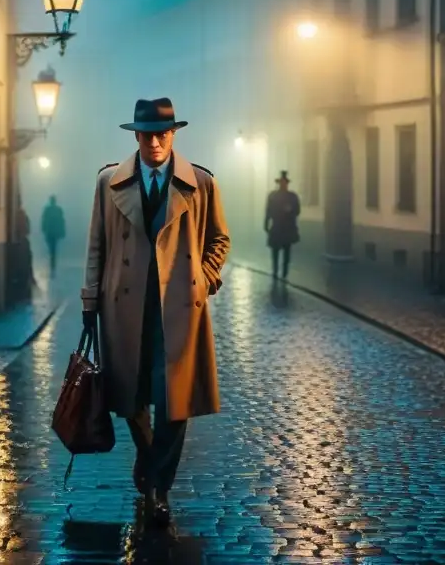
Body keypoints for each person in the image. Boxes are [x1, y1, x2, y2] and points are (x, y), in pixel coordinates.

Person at [81, 97, 231, 527]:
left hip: (179, 307)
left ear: (174, 134)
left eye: (162, 133)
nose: (154, 142)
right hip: (123, 305)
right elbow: (96, 246)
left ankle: (158, 488)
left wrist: (204, 279)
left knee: (174, 401)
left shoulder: (199, 182)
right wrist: (91, 299)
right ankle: (148, 457)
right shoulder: (109, 181)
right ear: (136, 136)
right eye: (146, 134)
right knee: (129, 398)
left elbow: (220, 239)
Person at [264, 170, 300, 280]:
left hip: (288, 227)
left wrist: (290, 210)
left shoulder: (292, 196)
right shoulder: (273, 196)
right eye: (281, 182)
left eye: (285, 182)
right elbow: (268, 210)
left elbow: (297, 211)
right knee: (275, 251)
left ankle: (284, 273)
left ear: (287, 184)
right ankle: (275, 271)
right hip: (276, 226)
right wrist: (266, 223)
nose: (283, 184)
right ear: (279, 183)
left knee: (287, 251)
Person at [41, 195, 66, 276]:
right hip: (55, 233)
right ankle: (53, 264)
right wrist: (62, 232)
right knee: (53, 249)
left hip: (49, 232)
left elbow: (44, 220)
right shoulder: (58, 210)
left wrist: (44, 229)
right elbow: (62, 221)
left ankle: (52, 264)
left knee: (51, 249)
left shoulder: (47, 210)